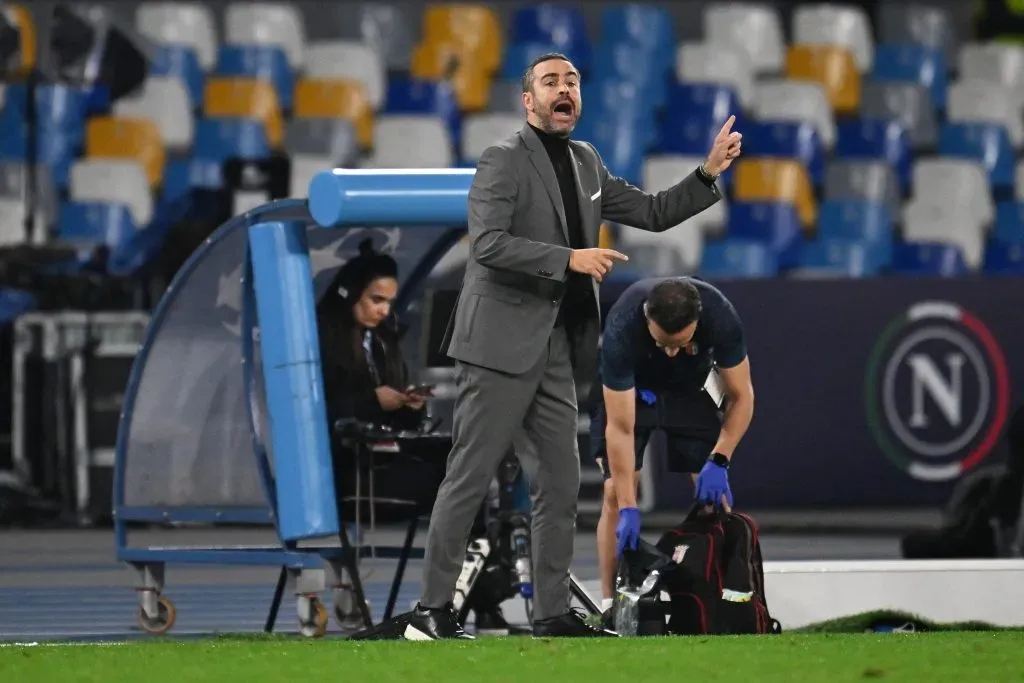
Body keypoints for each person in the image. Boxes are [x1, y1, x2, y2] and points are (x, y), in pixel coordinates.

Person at [404, 52, 742, 641]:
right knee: (470, 477)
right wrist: (569, 259)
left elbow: (653, 212)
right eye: (551, 82)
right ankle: (431, 611)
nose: (564, 89)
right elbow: (487, 244)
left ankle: (552, 613)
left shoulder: (587, 161)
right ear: (528, 100)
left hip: (556, 348)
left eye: (573, 81)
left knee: (560, 484)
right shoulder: (502, 159)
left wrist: (707, 174)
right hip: (497, 346)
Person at [316, 239, 511, 634]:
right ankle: (479, 600)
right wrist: (374, 400)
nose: (383, 310)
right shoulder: (324, 344)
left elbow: (387, 406)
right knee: (464, 487)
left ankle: (475, 598)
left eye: (389, 302)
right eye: (376, 300)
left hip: (389, 458)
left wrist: (409, 405)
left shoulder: (382, 340)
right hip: (355, 471)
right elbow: (325, 411)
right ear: (349, 295)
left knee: (472, 467)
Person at [588, 277, 755, 617]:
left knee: (714, 501)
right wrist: (629, 507)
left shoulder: (720, 317)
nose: (670, 352)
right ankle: (609, 606)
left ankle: (721, 599)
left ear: (698, 321)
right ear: (647, 318)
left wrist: (720, 459)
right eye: (662, 343)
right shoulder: (622, 327)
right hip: (633, 390)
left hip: (690, 386)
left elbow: (742, 397)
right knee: (614, 493)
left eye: (681, 344)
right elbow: (620, 428)